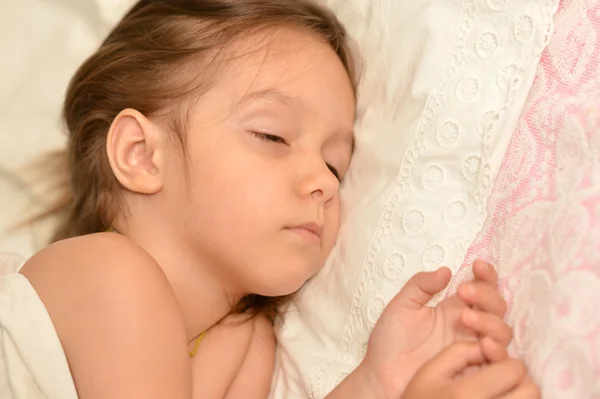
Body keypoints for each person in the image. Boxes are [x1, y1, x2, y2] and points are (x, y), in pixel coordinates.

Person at [1, 1, 539, 398]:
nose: (325, 183)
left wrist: (380, 381)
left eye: (336, 165)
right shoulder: (107, 274)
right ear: (142, 154)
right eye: (272, 136)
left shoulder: (241, 343)